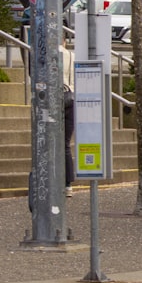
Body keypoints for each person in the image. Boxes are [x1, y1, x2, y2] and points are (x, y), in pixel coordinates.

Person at [61, 39, 75, 197]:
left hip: (54, 101)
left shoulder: (46, 55)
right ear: (64, 41)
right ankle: (68, 184)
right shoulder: (71, 56)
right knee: (65, 144)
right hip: (71, 99)